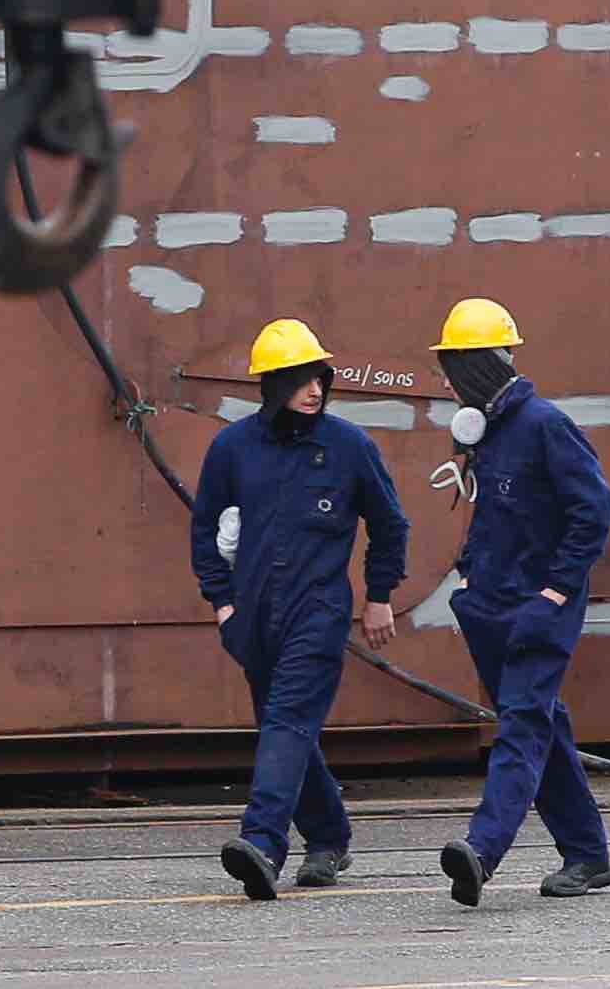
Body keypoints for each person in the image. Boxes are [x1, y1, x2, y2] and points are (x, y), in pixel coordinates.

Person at [191, 317, 410, 900]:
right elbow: (205, 529)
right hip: (253, 618)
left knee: (286, 721)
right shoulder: (233, 449)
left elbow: (390, 525)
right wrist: (223, 606)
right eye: (299, 378)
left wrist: (379, 596)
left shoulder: (348, 447)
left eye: (319, 375)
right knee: (288, 729)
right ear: (271, 384)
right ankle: (329, 836)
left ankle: (262, 843)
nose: (314, 388)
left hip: (318, 612)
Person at [430, 298, 610, 907]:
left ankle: (482, 851)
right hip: (490, 605)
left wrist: (554, 593)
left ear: (474, 368)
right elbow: (495, 518)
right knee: (542, 726)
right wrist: (466, 583)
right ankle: (587, 854)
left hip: (539, 609)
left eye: (449, 370)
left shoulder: (544, 426)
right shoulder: (487, 432)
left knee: (521, 726)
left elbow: (593, 511)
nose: (444, 383)